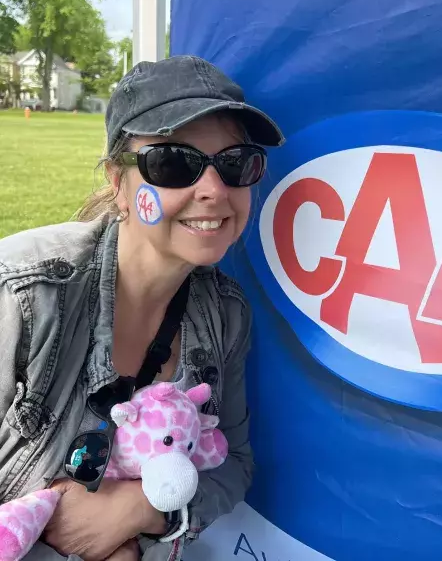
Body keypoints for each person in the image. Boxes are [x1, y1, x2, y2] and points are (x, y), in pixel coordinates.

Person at [0, 55, 284, 560]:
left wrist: (143, 510)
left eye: (236, 163)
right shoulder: (25, 293)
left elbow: (233, 463)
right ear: (118, 182)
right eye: (173, 163)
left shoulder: (227, 314)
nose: (215, 191)